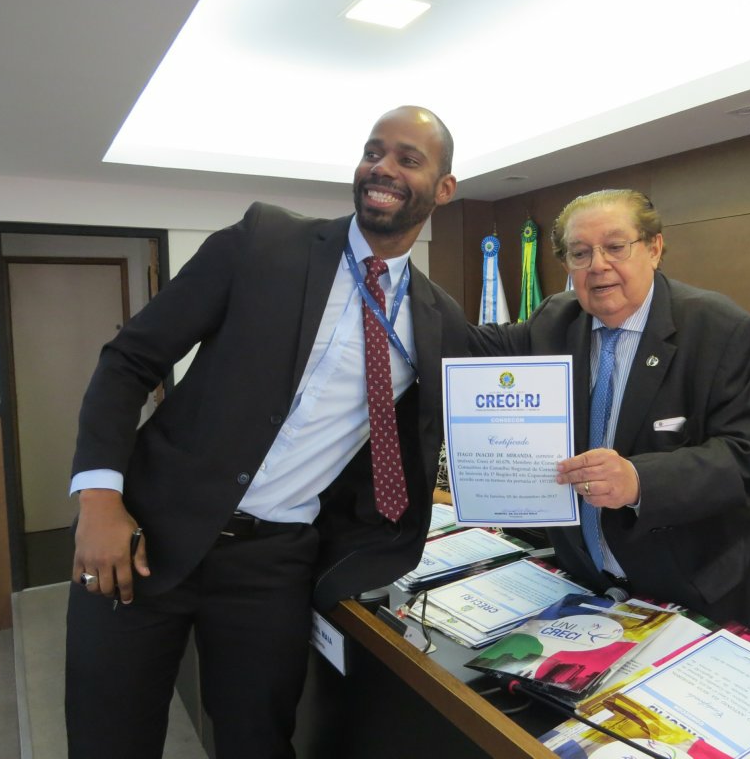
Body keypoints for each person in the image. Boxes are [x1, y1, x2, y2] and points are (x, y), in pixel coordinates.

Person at [65, 105, 469, 759]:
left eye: (407, 159)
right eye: (373, 152)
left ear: (443, 188)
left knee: (259, 742)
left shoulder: (439, 319)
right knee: (108, 738)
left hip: (272, 564)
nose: (382, 168)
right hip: (143, 530)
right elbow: (129, 359)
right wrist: (99, 499)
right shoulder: (265, 241)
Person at [470, 189, 750, 636]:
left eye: (615, 246)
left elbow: (745, 457)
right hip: (586, 583)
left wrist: (638, 480)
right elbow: (472, 344)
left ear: (654, 248)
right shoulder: (556, 319)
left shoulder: (720, 328)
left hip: (693, 591)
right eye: (580, 253)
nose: (598, 265)